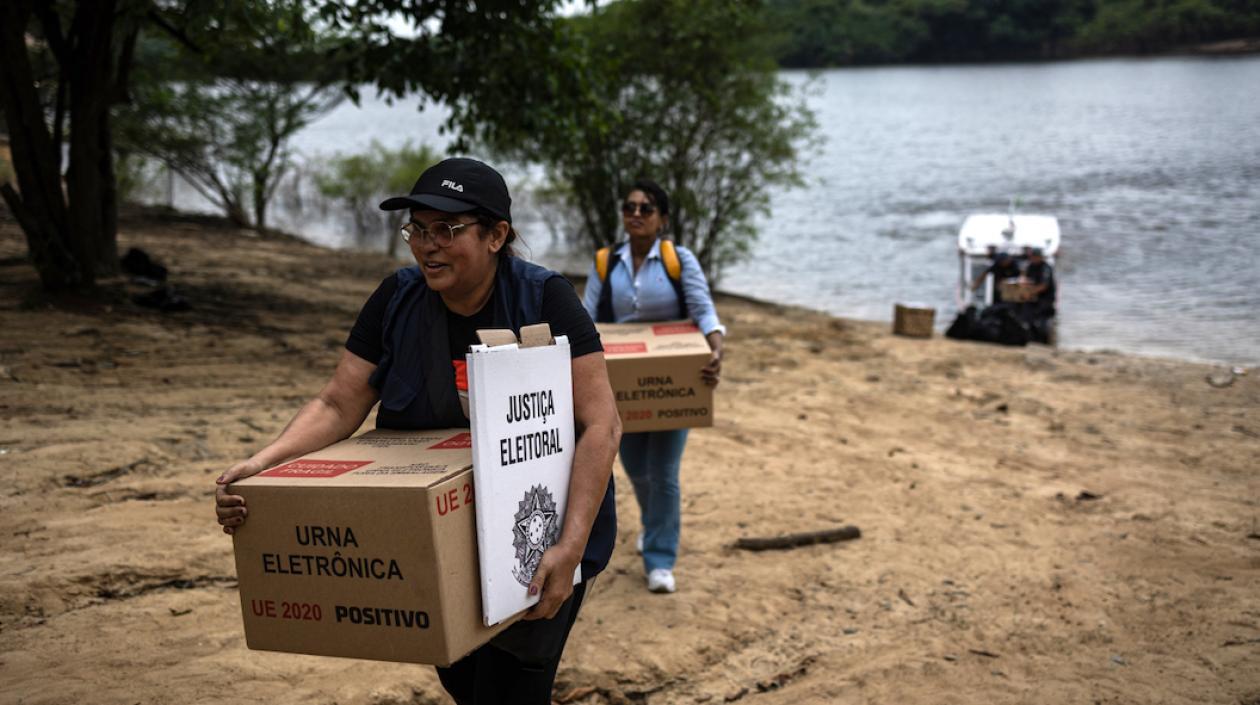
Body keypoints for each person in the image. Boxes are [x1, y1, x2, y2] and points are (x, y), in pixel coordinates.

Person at [214, 158, 621, 704]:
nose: (428, 246)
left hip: (536, 536)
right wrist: (265, 464)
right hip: (440, 539)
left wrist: (569, 548)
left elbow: (602, 424)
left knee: (513, 681)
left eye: (446, 230)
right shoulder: (396, 300)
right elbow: (338, 403)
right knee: (461, 679)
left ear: (496, 235)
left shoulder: (544, 299)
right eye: (418, 230)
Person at [582, 179, 724, 595]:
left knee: (663, 472)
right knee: (636, 468)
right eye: (630, 207)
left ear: (662, 218)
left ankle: (661, 558)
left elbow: (703, 310)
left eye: (646, 208)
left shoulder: (679, 260)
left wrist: (716, 349)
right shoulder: (607, 261)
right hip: (621, 381)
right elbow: (587, 317)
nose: (637, 214)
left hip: (671, 381)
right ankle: (653, 523)